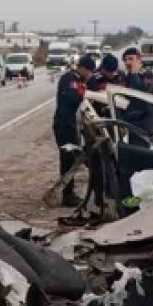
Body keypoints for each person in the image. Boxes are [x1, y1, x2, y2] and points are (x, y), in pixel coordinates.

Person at [52, 54, 95, 206]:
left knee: (73, 160)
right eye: (89, 72)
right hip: (64, 126)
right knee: (68, 161)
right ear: (82, 69)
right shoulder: (69, 79)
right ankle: (67, 195)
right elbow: (73, 98)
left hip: (72, 126)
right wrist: (86, 94)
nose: (90, 76)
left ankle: (68, 193)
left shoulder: (78, 80)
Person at [121, 47, 153, 141]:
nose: (128, 62)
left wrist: (134, 74)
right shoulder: (126, 77)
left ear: (139, 60)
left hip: (145, 123)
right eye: (125, 60)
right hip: (132, 122)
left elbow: (143, 94)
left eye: (131, 59)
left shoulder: (149, 75)